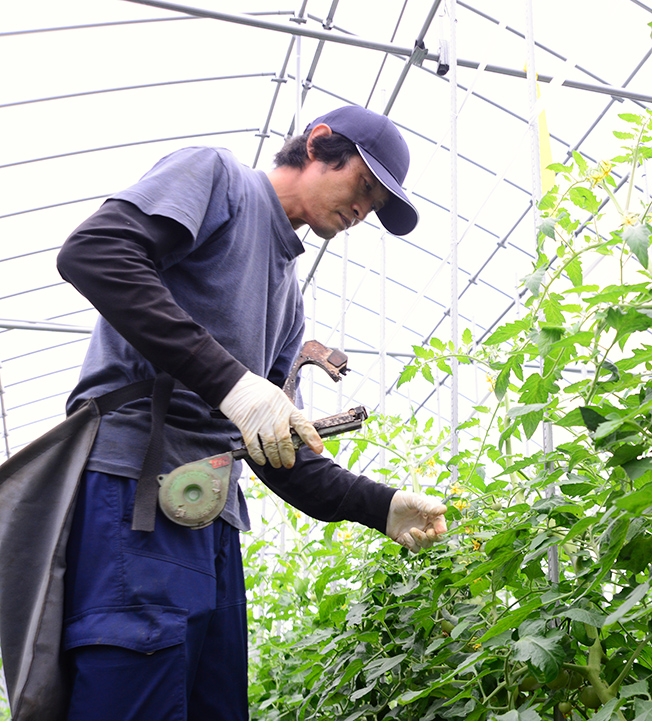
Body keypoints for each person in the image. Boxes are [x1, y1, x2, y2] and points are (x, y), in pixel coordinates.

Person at [52, 104, 447, 721]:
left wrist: (382, 506)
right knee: (133, 696)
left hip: (213, 518)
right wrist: (232, 383)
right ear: (318, 144)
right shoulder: (217, 179)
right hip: (135, 493)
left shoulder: (289, 300)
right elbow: (95, 253)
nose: (361, 210)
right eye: (363, 187)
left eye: (373, 207)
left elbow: (274, 448)